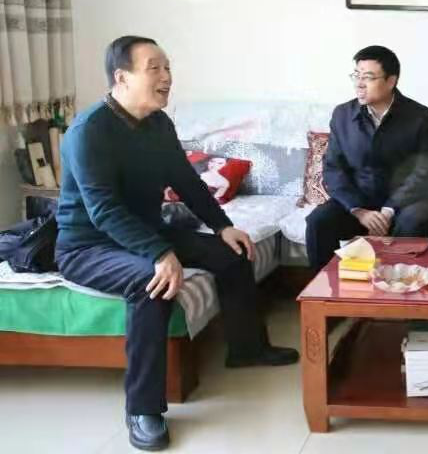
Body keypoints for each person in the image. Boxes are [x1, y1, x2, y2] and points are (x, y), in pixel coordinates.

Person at [55, 36, 298, 451]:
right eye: (154, 68)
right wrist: (159, 254)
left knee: (233, 252)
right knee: (152, 284)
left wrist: (222, 226)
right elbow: (103, 211)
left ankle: (247, 349)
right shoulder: (89, 131)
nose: (166, 77)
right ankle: (143, 408)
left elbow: (187, 182)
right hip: (90, 245)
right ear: (122, 77)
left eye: (167, 67)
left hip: (147, 231)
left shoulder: (158, 124)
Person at [305, 45, 428, 270]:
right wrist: (358, 209)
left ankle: (404, 287)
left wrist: (388, 210)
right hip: (358, 202)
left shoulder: (420, 116)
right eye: (356, 76)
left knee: (415, 220)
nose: (359, 84)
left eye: (368, 77)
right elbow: (334, 168)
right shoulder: (342, 115)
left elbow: (425, 172)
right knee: (318, 221)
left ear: (391, 81)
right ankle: (325, 289)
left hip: (405, 203)